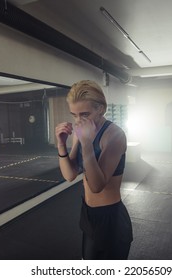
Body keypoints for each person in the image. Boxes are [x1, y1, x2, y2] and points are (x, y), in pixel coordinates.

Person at [55, 80, 133, 260]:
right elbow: (70, 175)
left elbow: (97, 185)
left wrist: (87, 144)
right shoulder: (81, 131)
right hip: (88, 214)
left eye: (84, 114)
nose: (78, 121)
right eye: (74, 115)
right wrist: (61, 144)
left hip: (110, 218)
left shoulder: (114, 136)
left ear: (101, 109)